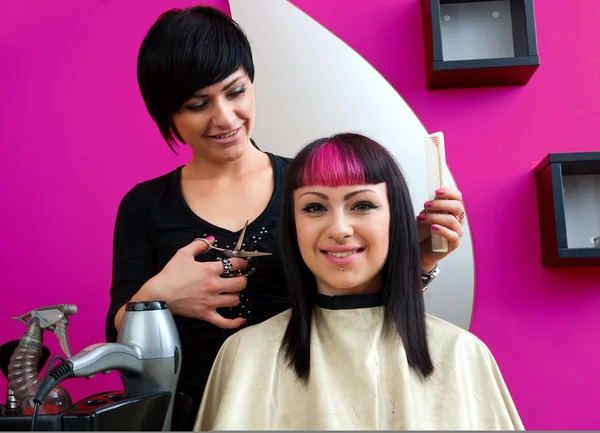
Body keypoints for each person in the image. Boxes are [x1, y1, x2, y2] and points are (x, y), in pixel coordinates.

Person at [104, 5, 467, 430]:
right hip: (189, 415)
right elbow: (120, 340)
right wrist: (159, 297)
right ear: (168, 114)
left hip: (310, 407)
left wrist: (418, 261)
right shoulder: (144, 205)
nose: (224, 117)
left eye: (235, 91)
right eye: (198, 104)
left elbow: (357, 308)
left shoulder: (310, 187)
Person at [193, 133, 523, 430]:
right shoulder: (246, 355)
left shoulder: (462, 354)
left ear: (397, 221)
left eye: (362, 205)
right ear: (293, 229)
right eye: (314, 207)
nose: (339, 229)